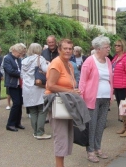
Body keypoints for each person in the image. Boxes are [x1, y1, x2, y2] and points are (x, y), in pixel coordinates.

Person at [44, 38, 89, 167]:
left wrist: (74, 91)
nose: (68, 51)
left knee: (67, 136)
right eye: (65, 48)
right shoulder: (56, 63)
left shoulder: (69, 64)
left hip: (66, 103)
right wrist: (71, 92)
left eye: (70, 49)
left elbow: (68, 84)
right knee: (61, 136)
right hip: (57, 103)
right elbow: (50, 85)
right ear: (59, 50)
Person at [80, 36, 114, 163]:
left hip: (105, 98)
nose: (109, 49)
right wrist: (81, 97)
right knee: (92, 125)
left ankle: (98, 148)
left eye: (109, 46)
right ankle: (90, 151)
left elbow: (111, 79)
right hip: (92, 98)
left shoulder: (108, 61)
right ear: (98, 49)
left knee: (101, 124)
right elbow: (83, 81)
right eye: (107, 47)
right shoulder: (89, 61)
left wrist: (112, 94)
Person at [21, 43, 51, 140]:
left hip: (27, 88)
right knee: (42, 110)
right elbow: (46, 70)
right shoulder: (40, 59)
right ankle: (40, 132)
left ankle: (35, 131)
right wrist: (49, 64)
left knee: (33, 111)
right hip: (37, 87)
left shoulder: (24, 60)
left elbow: (22, 75)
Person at [111, 39, 126, 137]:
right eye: (115, 45)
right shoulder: (116, 57)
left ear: (123, 46)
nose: (116, 47)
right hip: (117, 86)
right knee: (121, 108)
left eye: (118, 45)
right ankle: (125, 127)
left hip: (124, 86)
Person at [4, 43, 26, 132]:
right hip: (12, 84)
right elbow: (10, 71)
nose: (20, 55)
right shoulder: (7, 59)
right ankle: (10, 124)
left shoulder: (19, 59)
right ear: (14, 51)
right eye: (19, 53)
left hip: (19, 84)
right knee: (16, 103)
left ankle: (17, 122)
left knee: (20, 103)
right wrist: (21, 73)